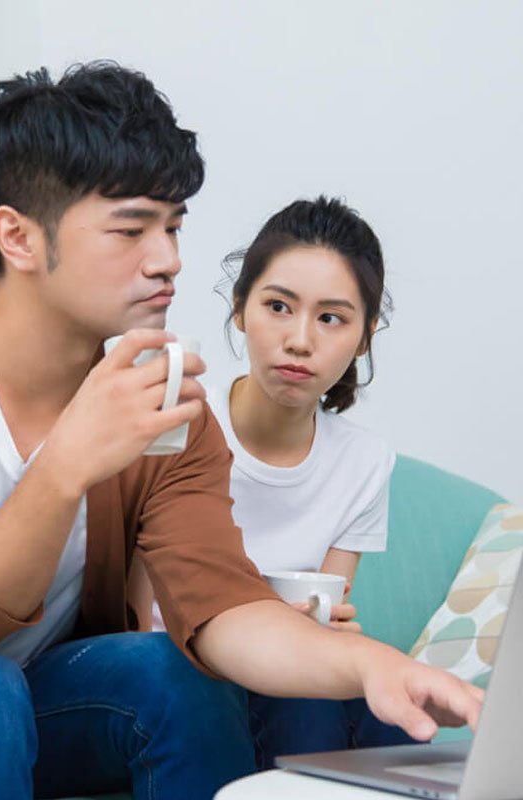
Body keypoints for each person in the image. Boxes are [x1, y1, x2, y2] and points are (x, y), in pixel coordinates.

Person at [0, 63, 481, 800]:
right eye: (131, 229)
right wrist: (67, 463)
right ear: (18, 237)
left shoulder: (163, 401)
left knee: (174, 672)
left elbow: (221, 606)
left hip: (40, 693)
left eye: (173, 227)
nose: (168, 260)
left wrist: (367, 666)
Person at [134, 195, 420, 768]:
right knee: (305, 702)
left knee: (395, 712)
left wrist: (327, 630)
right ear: (240, 309)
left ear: (365, 337)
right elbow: (144, 623)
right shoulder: (177, 418)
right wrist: (269, 631)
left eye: (332, 318)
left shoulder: (365, 462)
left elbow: (327, 616)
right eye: (278, 306)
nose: (300, 340)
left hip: (292, 671)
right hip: (183, 667)